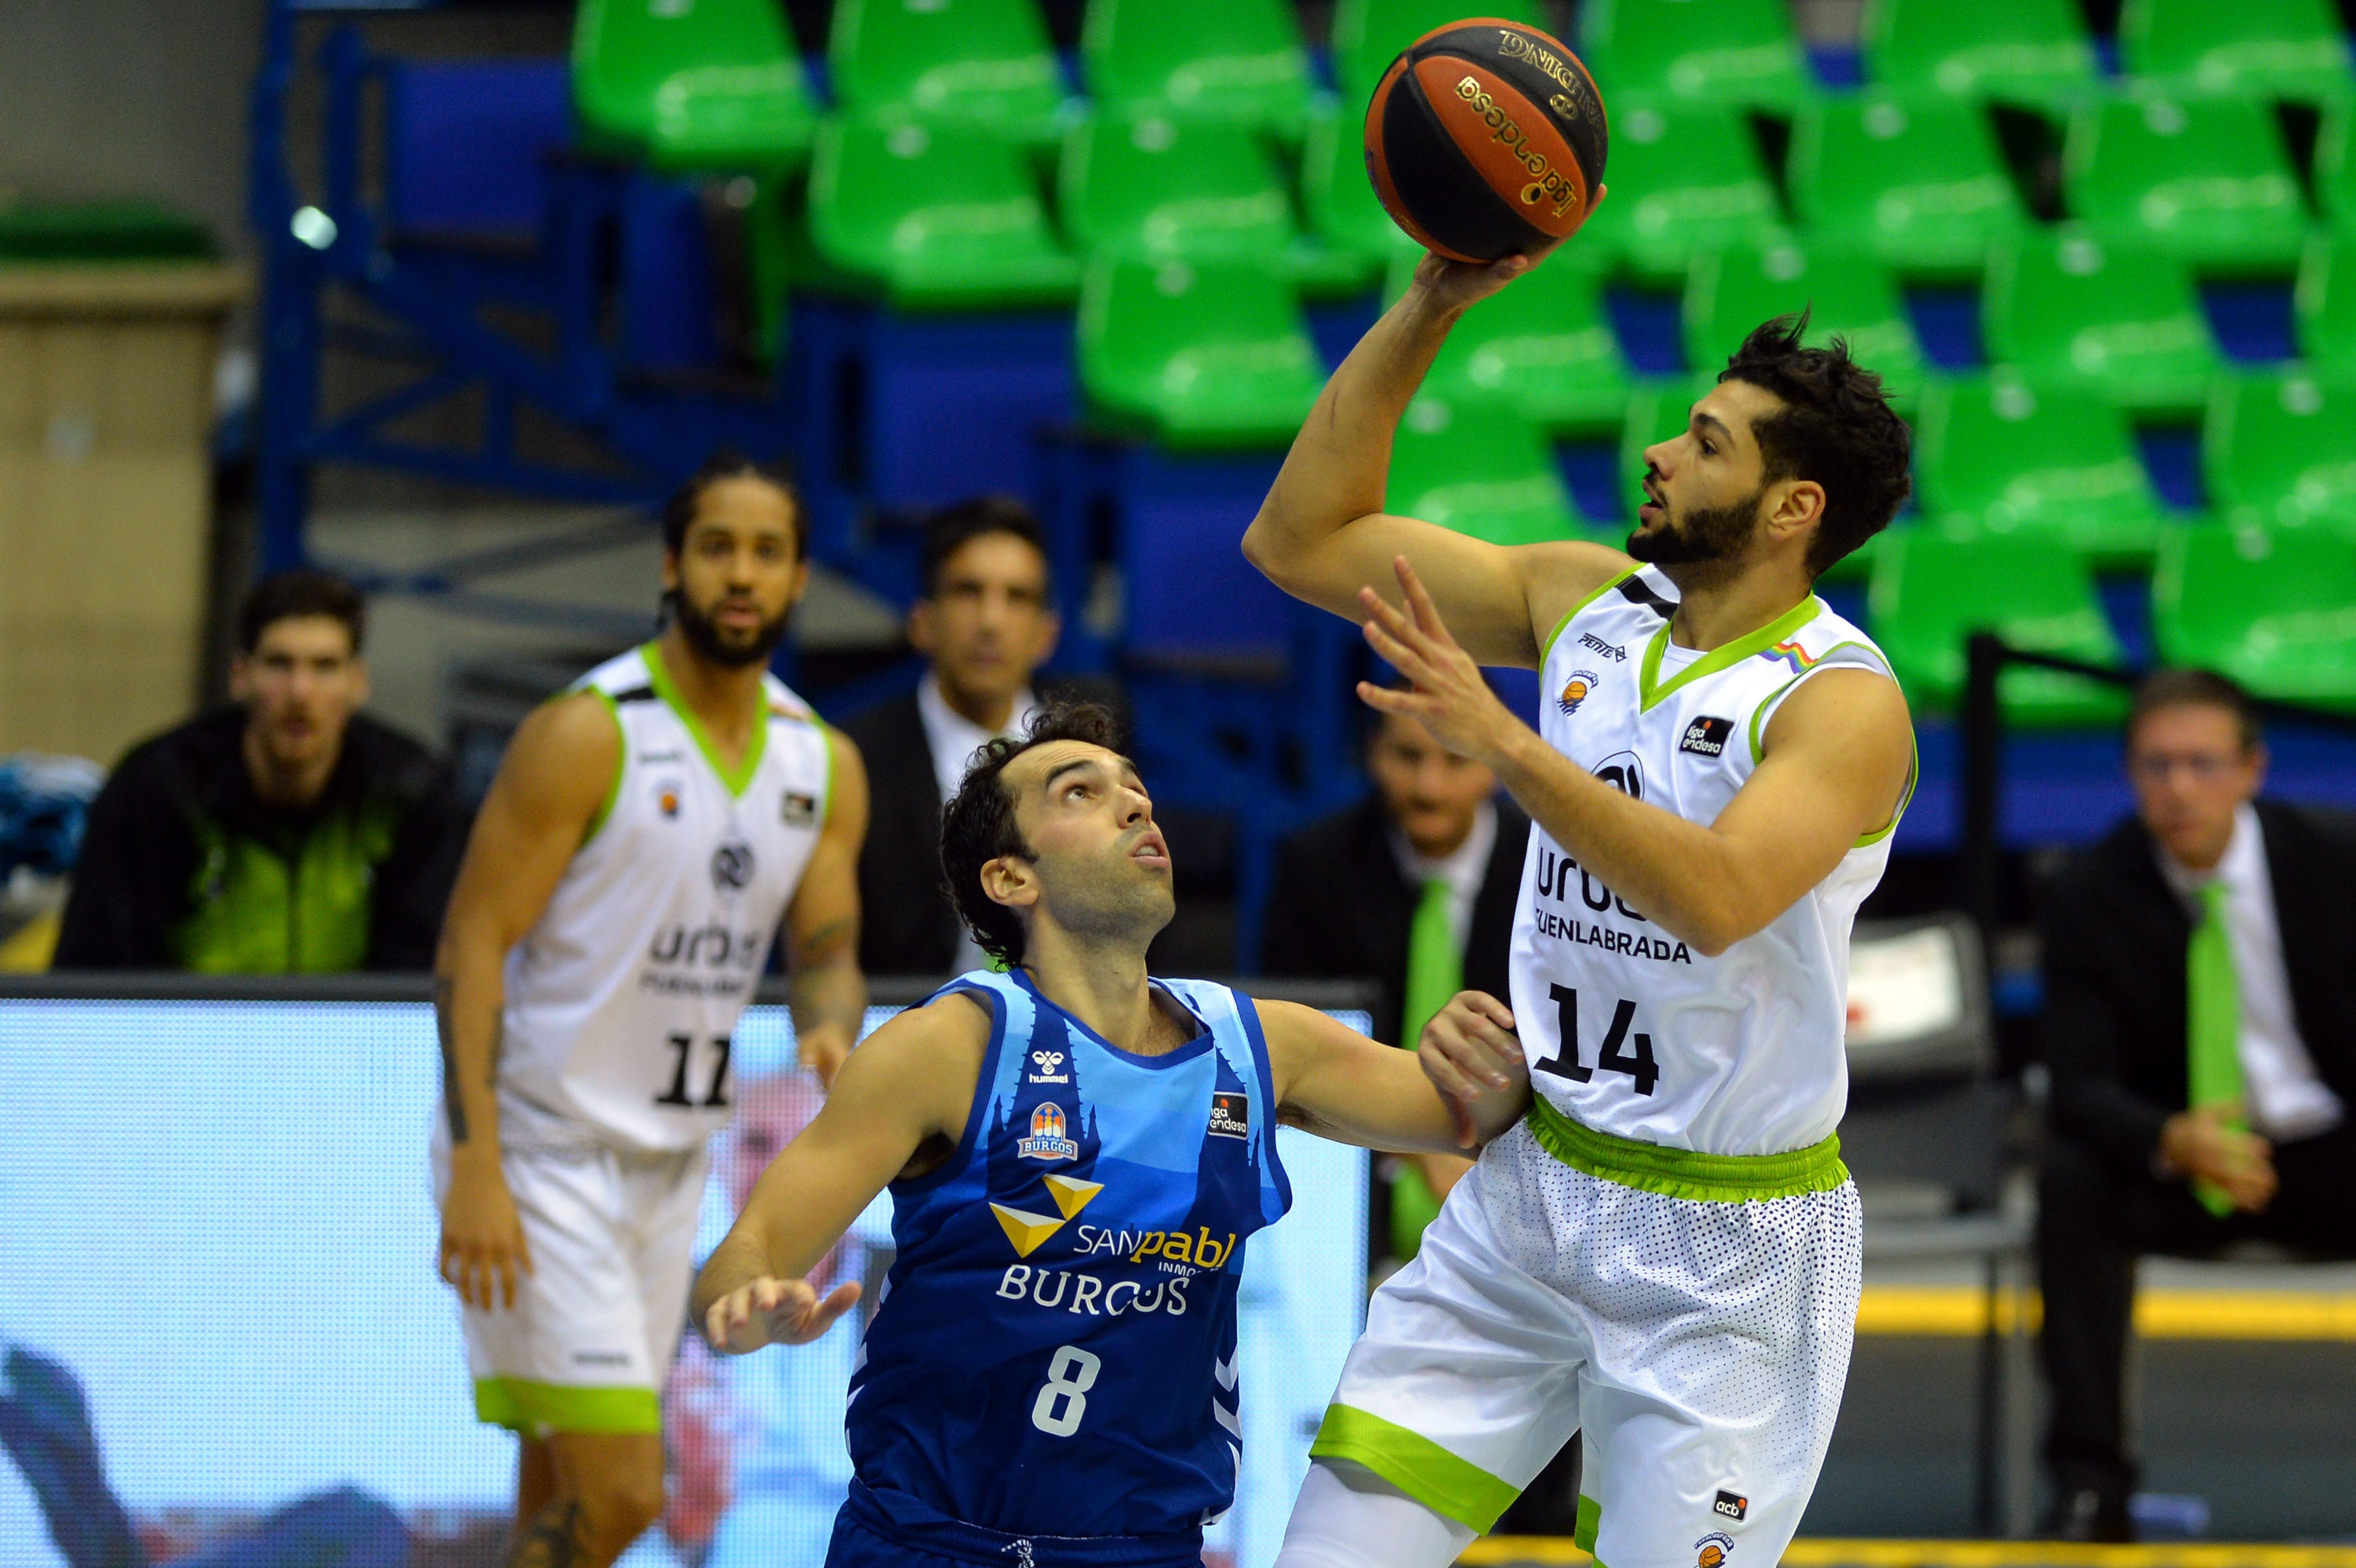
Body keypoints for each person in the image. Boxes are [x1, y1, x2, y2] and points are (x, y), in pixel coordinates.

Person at [1243, 245, 1918, 1568]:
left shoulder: (1841, 698)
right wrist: (1432, 304)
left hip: (1728, 1247)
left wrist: (1506, 746)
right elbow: (1299, 540)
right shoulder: (1582, 605)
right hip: (1532, 1189)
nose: (1660, 449)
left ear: (1793, 509)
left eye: (1707, 442)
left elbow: (1718, 896)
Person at [690, 702, 1533, 1568]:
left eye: (1136, 790)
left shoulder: (1261, 1047)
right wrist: (748, 1313)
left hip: (1146, 1550)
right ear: (1012, 878)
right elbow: (738, 1262)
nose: (1137, 807)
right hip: (930, 1543)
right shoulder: (948, 1048)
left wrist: (1489, 1058)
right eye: (1081, 793)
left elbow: (1484, 1112)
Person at [432, 453, 870, 1568]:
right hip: (543, 1149)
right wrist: (476, 1160)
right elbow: (473, 942)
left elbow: (827, 952)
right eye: (718, 546)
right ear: (672, 564)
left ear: (800, 578)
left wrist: (827, 1021)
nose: (742, 573)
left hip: (675, 1164)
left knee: (554, 1489)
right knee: (626, 1495)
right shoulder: (588, 730)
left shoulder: (820, 760)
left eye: (767, 552)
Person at [2035, 669, 2356, 1540]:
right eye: (2157, 766)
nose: (2179, 789)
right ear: (2131, 774)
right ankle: (2090, 1484)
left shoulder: (2336, 861)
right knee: (2070, 1183)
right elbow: (2077, 1081)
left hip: (2329, 1143)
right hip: (2181, 1154)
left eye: (2202, 765)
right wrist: (2170, 1139)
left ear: (2251, 769)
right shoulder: (2090, 889)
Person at [52, 569, 468, 971]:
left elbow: (425, 974)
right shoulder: (159, 787)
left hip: (347, 1040)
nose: (300, 692)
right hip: (186, 1038)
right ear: (240, 676)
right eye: (279, 664)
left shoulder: (409, 792)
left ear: (357, 682)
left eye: (324, 666)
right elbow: (94, 970)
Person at [1263, 700, 1531, 1260]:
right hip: (1348, 1188)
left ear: (1492, 764)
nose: (1428, 787)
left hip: (1516, 1200)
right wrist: (1409, 1147)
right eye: (1407, 756)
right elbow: (1288, 1055)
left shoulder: (1545, 869)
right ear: (1371, 755)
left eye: (1454, 761)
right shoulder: (1316, 867)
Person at [842, 496, 1060, 976]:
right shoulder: (856, 759)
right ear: (922, 622)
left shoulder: (1089, 760)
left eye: (1017, 597)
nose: (991, 622)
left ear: (1047, 635)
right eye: (968, 591)